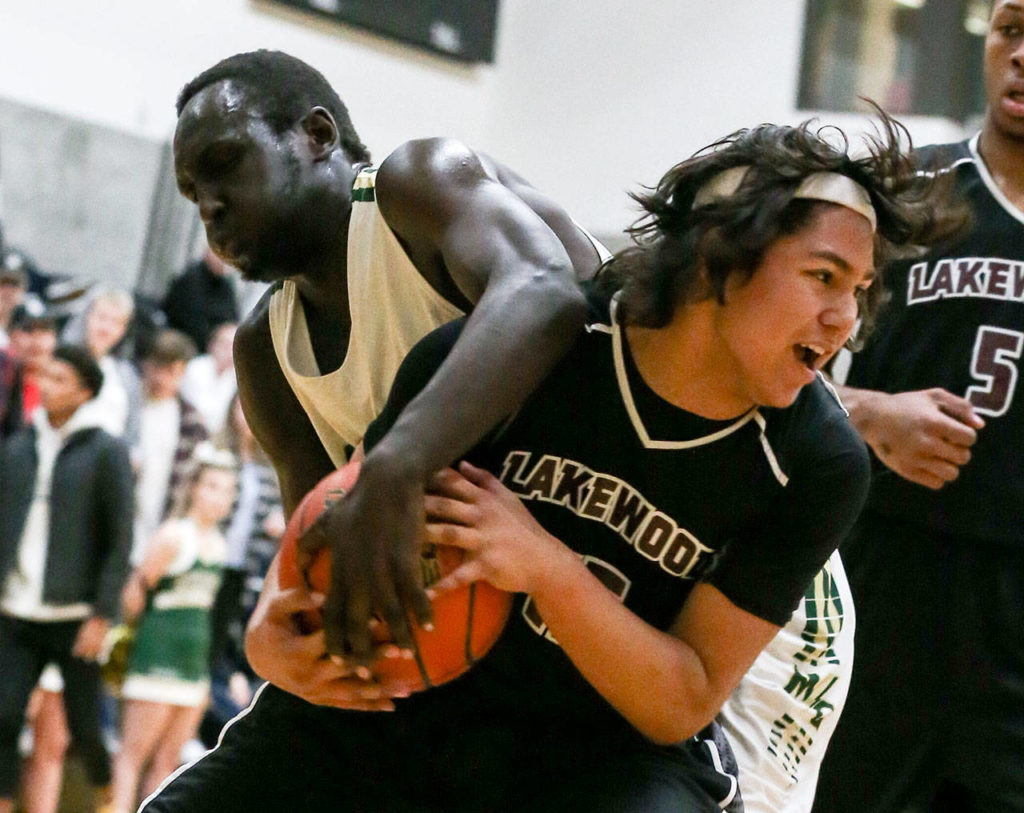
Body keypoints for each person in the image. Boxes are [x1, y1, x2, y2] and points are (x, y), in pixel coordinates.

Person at [141, 110, 951, 812]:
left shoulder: (816, 462)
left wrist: (546, 565)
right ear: (717, 258)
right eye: (823, 277)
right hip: (434, 708)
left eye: (860, 288)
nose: (846, 317)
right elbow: (333, 545)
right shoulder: (523, 354)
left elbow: (682, 700)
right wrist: (273, 635)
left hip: (622, 739)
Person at [170, 49, 605, 663]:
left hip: (671, 528)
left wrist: (396, 462)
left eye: (225, 163)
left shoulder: (416, 184)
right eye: (193, 193)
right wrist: (281, 637)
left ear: (316, 136)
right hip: (521, 615)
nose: (209, 205)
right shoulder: (265, 349)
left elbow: (548, 291)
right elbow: (324, 551)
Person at [812, 3, 1024, 811]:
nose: (1021, 55)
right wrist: (867, 412)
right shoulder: (902, 193)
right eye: (1010, 28)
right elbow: (763, 369)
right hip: (887, 572)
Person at [0, 344, 134, 813]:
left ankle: (105, 797)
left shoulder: (106, 450)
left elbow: (120, 540)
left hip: (75, 615)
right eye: (45, 376)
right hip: (17, 610)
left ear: (84, 391)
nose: (46, 385)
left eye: (59, 379)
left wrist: (102, 613)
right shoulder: (18, 446)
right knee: (4, 714)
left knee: (83, 727)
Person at [107, 444, 236, 813]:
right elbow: (133, 595)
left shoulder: (220, 544)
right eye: (212, 486)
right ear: (194, 487)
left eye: (227, 490)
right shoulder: (173, 535)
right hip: (157, 654)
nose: (219, 497)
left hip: (193, 664)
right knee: (132, 756)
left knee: (168, 764)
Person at [133, 329, 208, 560]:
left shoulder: (192, 422)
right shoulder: (130, 406)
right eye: (157, 367)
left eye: (172, 371)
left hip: (162, 526)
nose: (162, 378)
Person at [161, 246, 239, 353]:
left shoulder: (226, 285)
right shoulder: (190, 280)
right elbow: (192, 323)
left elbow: (233, 318)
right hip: (188, 344)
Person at [179, 320, 237, 435]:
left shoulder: (235, 377)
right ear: (212, 345)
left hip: (222, 435)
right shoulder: (196, 367)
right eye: (226, 345)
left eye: (234, 346)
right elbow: (196, 406)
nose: (230, 352)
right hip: (193, 428)